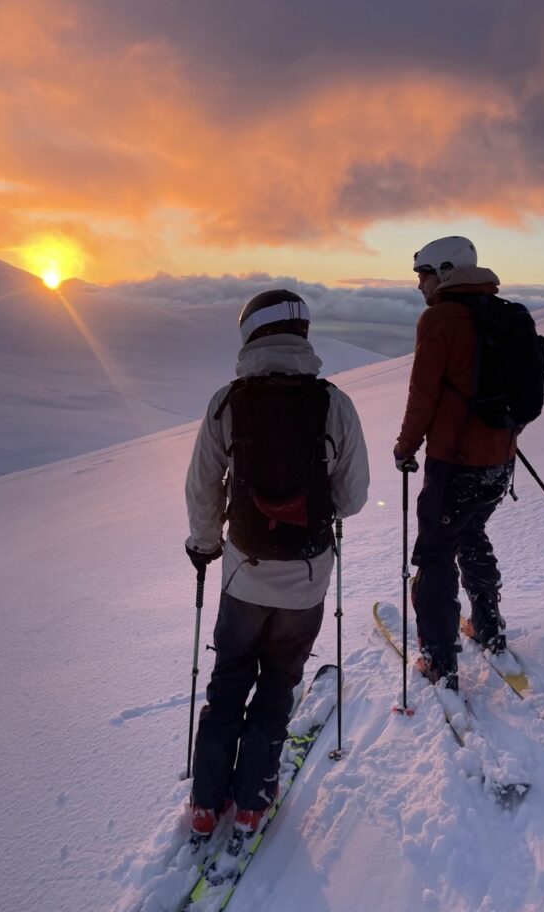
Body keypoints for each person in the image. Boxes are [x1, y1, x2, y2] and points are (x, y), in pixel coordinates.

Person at [184, 288, 369, 843]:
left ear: (250, 335)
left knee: (228, 681)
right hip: (308, 580)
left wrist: (205, 543)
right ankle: (250, 804)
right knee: (278, 683)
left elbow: (201, 487)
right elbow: (355, 496)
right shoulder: (334, 403)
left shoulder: (227, 401)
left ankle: (205, 801)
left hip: (244, 573)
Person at [394, 236, 518, 692]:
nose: (420, 285)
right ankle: (488, 626)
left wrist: (405, 447)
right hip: (500, 464)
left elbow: (422, 395)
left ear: (445, 272)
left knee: (435, 553)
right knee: (471, 533)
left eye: (423, 274)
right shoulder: (505, 314)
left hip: (455, 464)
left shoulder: (439, 319)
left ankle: (439, 659)